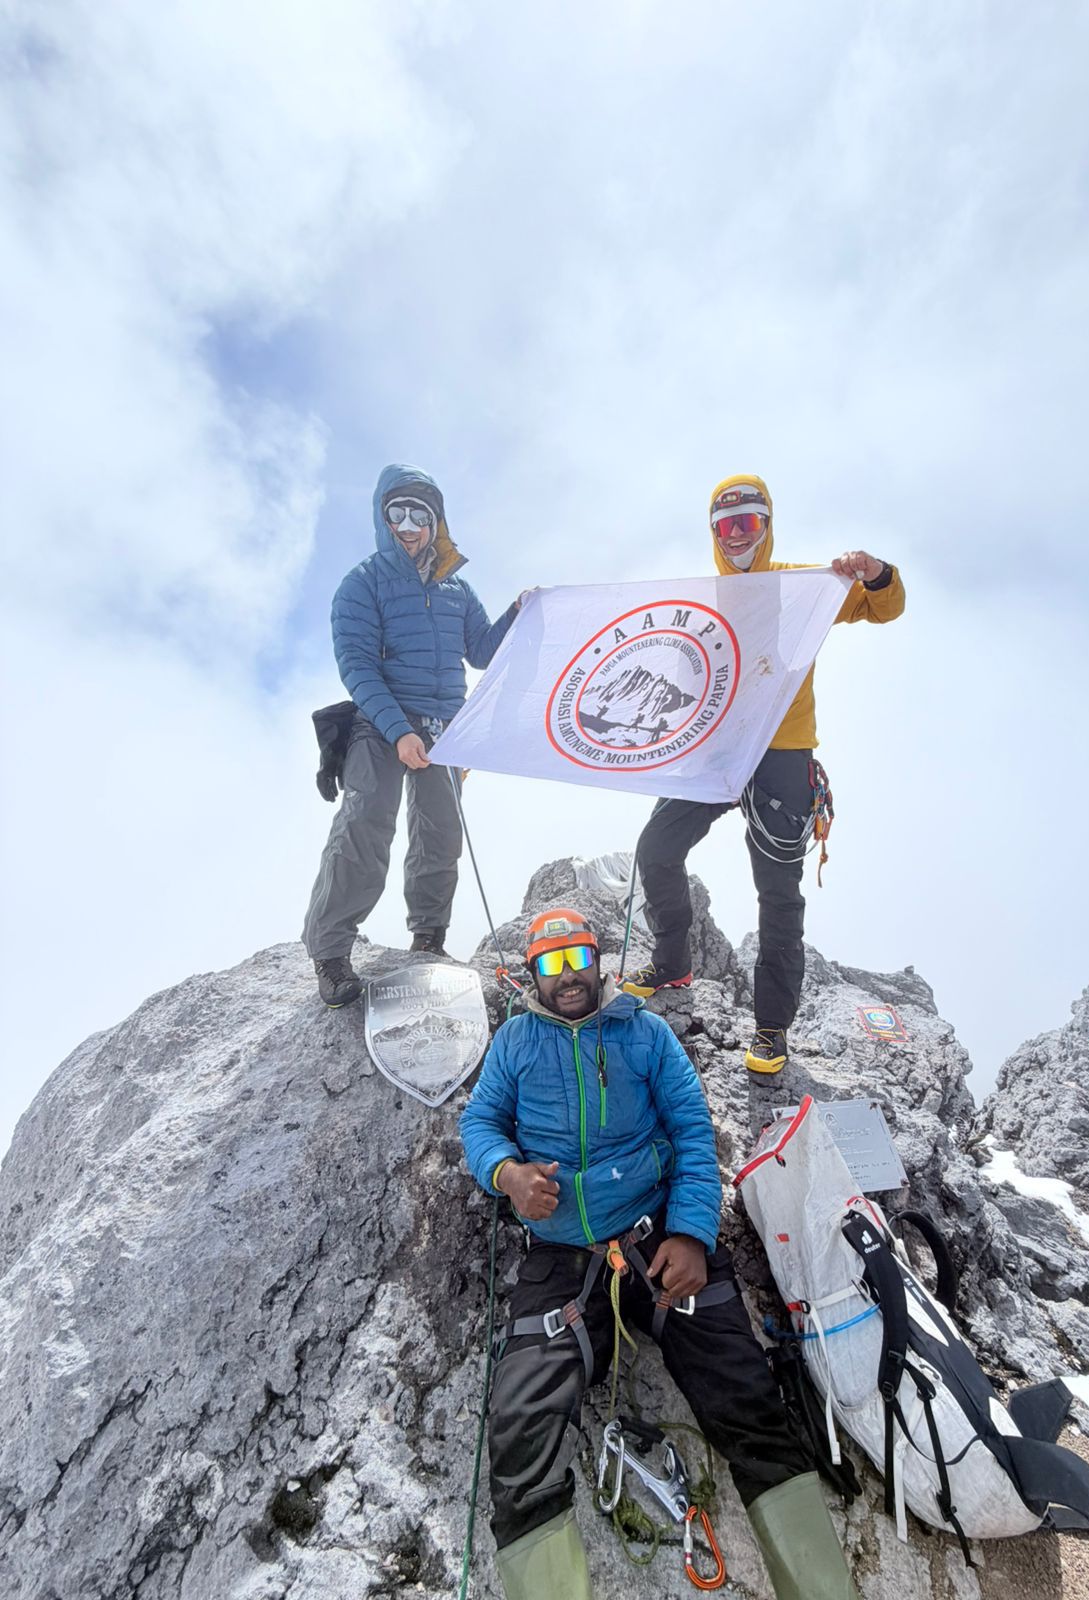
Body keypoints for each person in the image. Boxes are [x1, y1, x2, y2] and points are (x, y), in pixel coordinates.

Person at [459, 907, 860, 1600]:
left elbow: (692, 1133)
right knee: (519, 1424)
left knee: (744, 1391)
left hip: (655, 1237)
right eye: (551, 966)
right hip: (561, 1257)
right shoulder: (515, 1042)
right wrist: (508, 1174)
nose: (568, 977)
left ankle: (822, 1589)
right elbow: (481, 1121)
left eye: (578, 958)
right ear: (533, 976)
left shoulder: (644, 1033)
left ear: (599, 961)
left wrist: (692, 1235)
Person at [622, 475, 905, 1074]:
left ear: (768, 524)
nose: (738, 536)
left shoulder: (804, 585)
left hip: (782, 752)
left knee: (777, 890)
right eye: (726, 526)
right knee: (656, 847)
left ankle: (772, 1026)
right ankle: (673, 960)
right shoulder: (702, 601)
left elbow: (885, 607)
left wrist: (876, 572)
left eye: (749, 523)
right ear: (713, 532)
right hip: (717, 749)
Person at [302, 465, 520, 1006]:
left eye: (418, 515)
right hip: (380, 725)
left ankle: (429, 939)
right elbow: (356, 667)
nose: (407, 524)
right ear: (382, 519)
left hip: (446, 726)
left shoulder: (456, 588)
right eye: (395, 513)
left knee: (439, 835)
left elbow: (482, 652)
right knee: (365, 826)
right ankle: (330, 955)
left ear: (435, 522)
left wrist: (521, 612)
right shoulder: (362, 584)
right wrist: (398, 730)